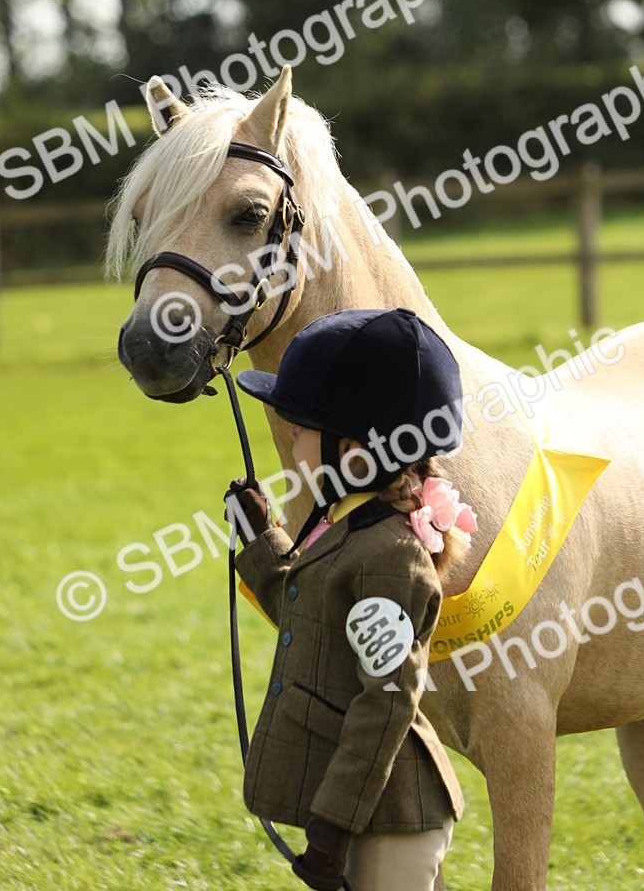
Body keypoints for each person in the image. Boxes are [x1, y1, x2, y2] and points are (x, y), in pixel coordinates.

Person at [225, 307, 477, 891]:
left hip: (387, 817)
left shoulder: (391, 557)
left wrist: (331, 828)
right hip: (371, 808)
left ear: (356, 453)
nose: (289, 433)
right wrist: (264, 537)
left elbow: (384, 705)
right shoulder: (347, 527)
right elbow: (306, 608)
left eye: (302, 422)